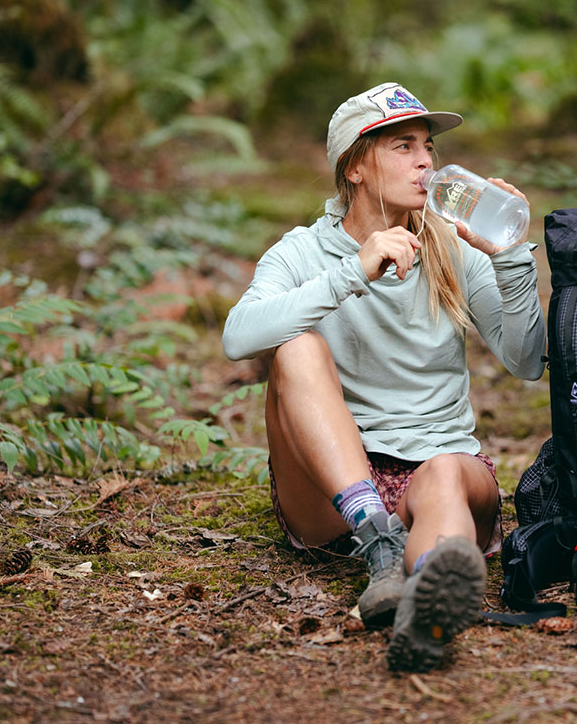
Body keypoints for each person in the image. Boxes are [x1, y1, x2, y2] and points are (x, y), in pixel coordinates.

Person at [221, 82, 545, 671]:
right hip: (337, 485)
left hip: (435, 470)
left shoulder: (452, 246)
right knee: (294, 347)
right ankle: (377, 539)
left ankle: (426, 610)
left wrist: (511, 257)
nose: (425, 160)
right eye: (402, 146)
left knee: (445, 472)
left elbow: (525, 362)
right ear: (355, 169)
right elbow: (238, 336)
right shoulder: (303, 253)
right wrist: (352, 272)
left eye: (427, 146)